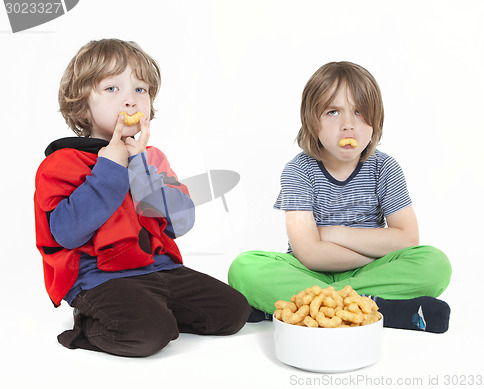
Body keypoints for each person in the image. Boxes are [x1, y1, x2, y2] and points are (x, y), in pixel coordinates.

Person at [34, 38, 251, 357]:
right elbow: (67, 233)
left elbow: (181, 221)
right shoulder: (62, 162)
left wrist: (141, 170)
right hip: (98, 278)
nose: (130, 100)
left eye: (141, 90)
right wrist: (111, 165)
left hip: (159, 269)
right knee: (150, 335)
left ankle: (153, 311)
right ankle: (92, 323)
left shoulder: (151, 159)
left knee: (234, 312)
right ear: (83, 106)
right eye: (112, 89)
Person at [228, 62, 452, 333]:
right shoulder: (299, 170)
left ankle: (303, 306)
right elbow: (309, 253)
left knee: (434, 263)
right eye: (333, 112)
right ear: (312, 120)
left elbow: (407, 239)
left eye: (359, 112)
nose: (348, 125)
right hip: (308, 272)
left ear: (375, 120)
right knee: (245, 268)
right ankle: (374, 307)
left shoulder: (385, 168)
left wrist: (332, 233)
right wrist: (373, 250)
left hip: (370, 273)